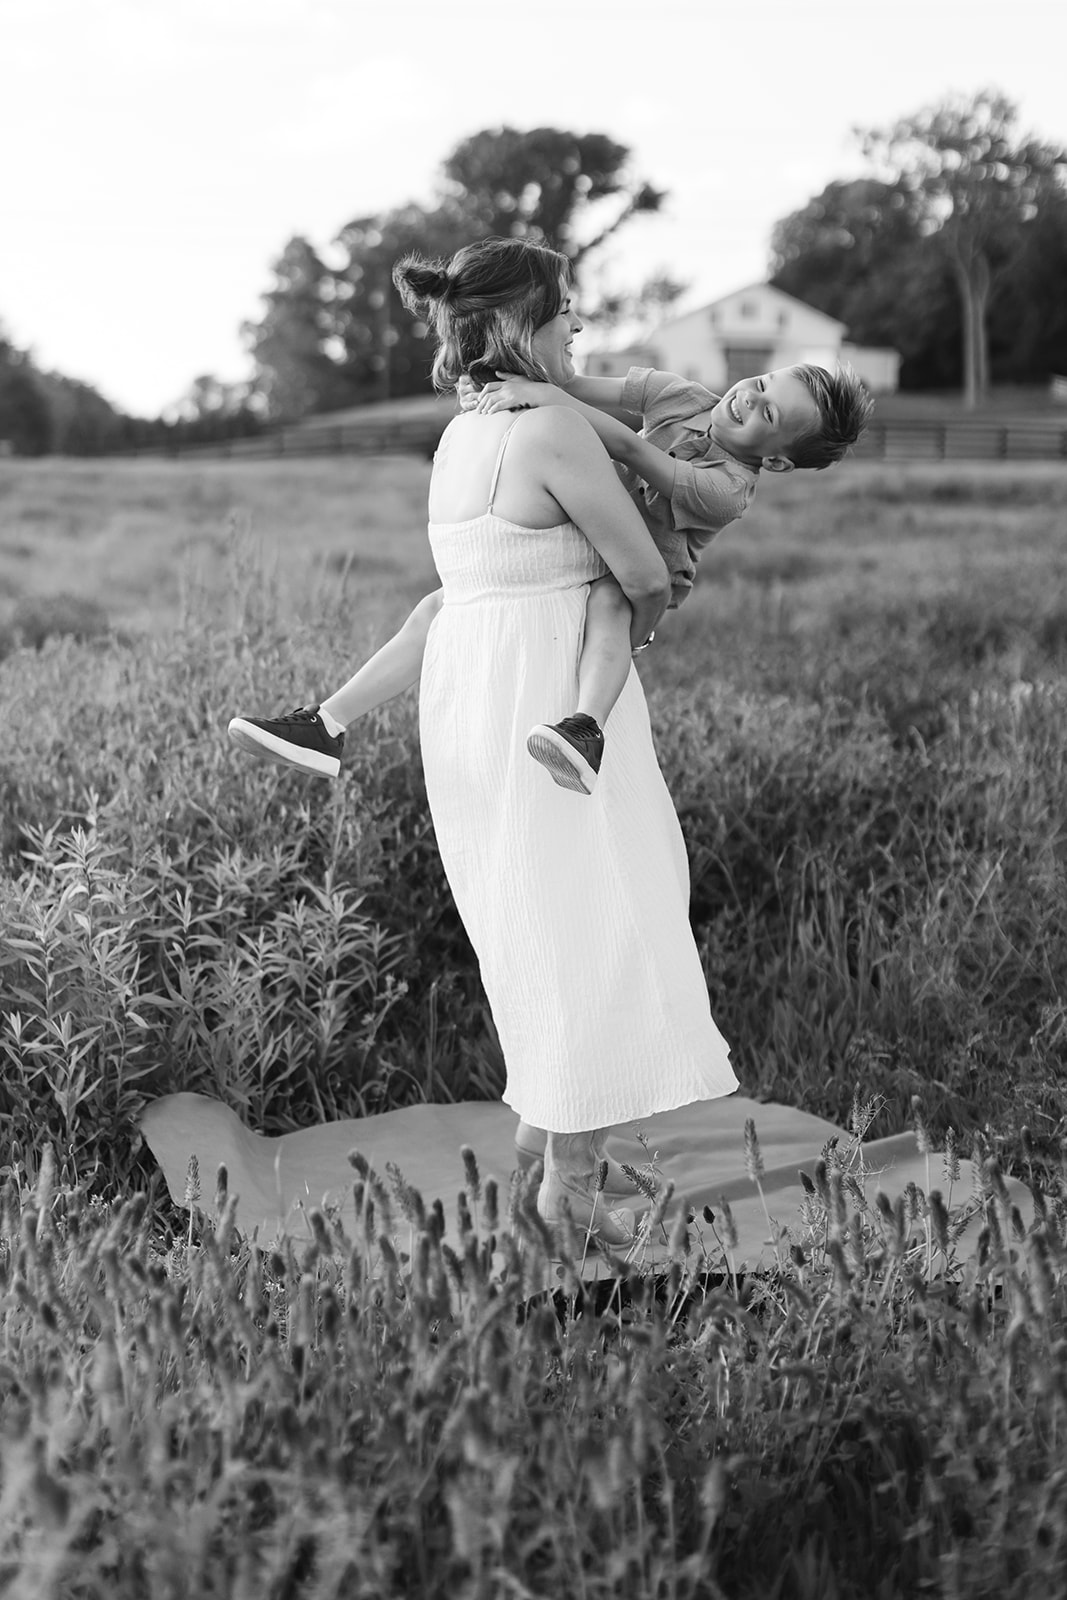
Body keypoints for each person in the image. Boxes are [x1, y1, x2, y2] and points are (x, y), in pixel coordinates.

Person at [239, 235, 741, 1242]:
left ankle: (548, 1139)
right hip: (548, 691)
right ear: (519, 326)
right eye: (565, 315)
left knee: (534, 918)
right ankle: (569, 1183)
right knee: (597, 920)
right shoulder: (551, 427)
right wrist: (640, 609)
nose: (580, 329)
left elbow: (459, 589)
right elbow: (641, 575)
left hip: (466, 688)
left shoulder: (461, 432)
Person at [227, 358, 873, 789]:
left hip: (636, 569)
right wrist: (498, 379)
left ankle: (583, 728)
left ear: (780, 462)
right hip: (581, 531)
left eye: (769, 416)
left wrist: (542, 398)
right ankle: (325, 725)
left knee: (608, 609)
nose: (748, 400)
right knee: (434, 608)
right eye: (761, 383)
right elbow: (575, 384)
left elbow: (623, 445)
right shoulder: (682, 396)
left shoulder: (729, 488)